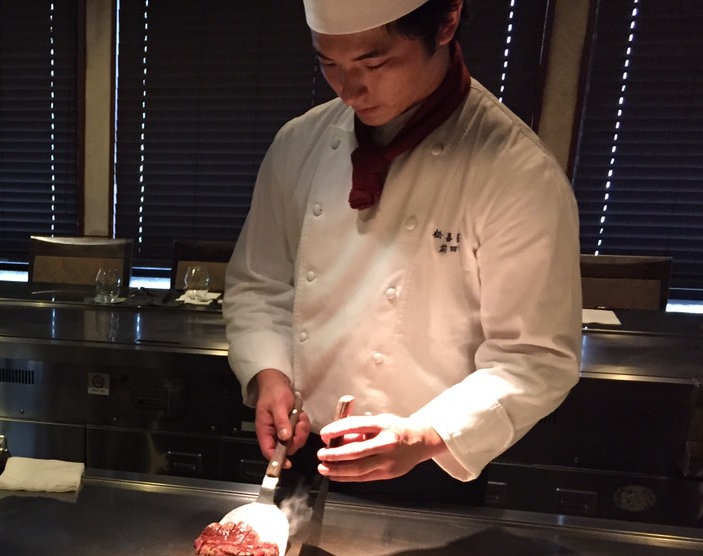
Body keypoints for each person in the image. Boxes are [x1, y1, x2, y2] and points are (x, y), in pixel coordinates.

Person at [224, 0, 582, 504]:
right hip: (299, 448)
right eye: (329, 63)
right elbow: (259, 284)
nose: (349, 90)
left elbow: (534, 356)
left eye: (374, 63)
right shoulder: (298, 144)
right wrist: (269, 374)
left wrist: (428, 435)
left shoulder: (517, 172)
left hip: (431, 463)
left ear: (446, 22)